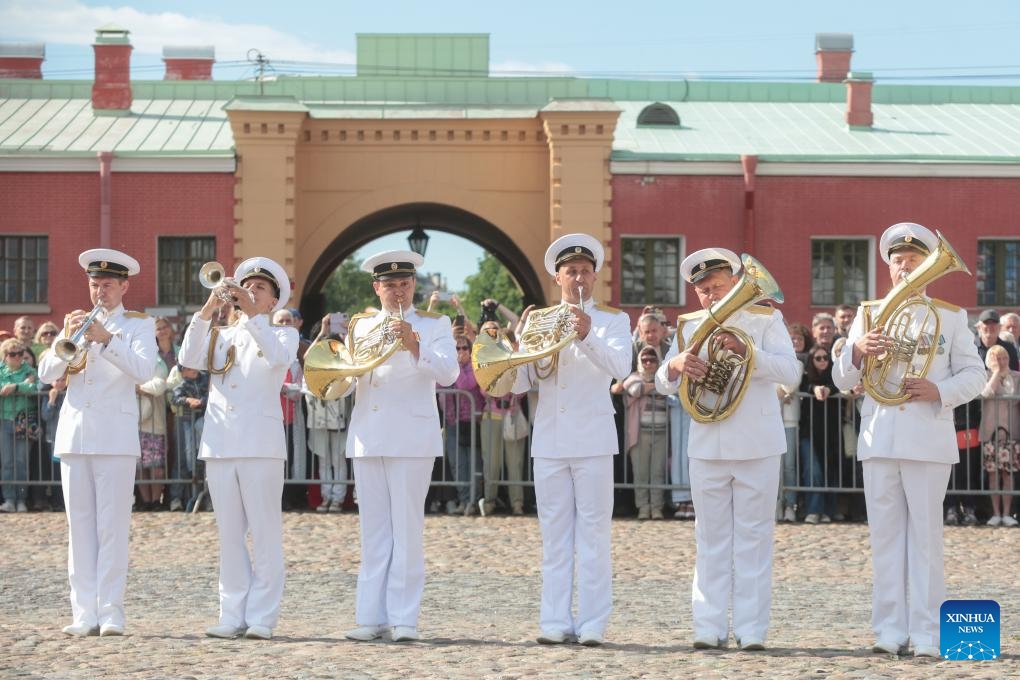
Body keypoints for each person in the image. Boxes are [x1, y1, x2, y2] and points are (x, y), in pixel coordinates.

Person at [832, 222, 985, 658]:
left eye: (913, 262)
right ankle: (888, 630)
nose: (904, 269)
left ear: (929, 267)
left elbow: (973, 374)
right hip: (879, 438)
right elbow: (843, 378)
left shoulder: (951, 316)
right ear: (889, 267)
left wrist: (941, 391)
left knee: (925, 538)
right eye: (898, 262)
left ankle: (927, 633)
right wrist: (857, 349)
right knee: (884, 538)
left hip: (927, 438)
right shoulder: (868, 312)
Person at [655, 247, 799, 651]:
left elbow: (791, 371)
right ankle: (708, 625)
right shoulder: (688, 326)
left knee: (754, 539)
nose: (710, 295)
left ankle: (751, 630)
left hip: (757, 442)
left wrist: (748, 354)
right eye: (703, 290)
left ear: (734, 280)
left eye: (716, 286)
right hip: (707, 444)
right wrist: (677, 364)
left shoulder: (766, 318)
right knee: (710, 538)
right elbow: (662, 382)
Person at [511, 233, 631, 646]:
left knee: (595, 535)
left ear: (594, 276)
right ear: (557, 278)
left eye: (584, 271)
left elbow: (620, 366)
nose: (578, 277)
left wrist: (587, 334)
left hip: (595, 439)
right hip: (550, 440)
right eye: (570, 271)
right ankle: (554, 620)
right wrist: (517, 347)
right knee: (554, 536)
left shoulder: (614, 320)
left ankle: (594, 622)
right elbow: (521, 382)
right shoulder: (541, 319)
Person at [38, 248, 157, 637]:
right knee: (80, 528)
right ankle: (83, 611)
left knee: (112, 527)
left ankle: (111, 611)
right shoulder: (74, 322)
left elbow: (143, 370)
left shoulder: (139, 325)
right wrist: (65, 337)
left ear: (124, 286)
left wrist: (106, 339)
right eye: (94, 284)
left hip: (115, 438)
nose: (100, 291)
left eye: (107, 284)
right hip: (75, 436)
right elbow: (47, 373)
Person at [178, 256, 298, 641]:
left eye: (259, 288)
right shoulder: (221, 333)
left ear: (272, 301)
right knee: (229, 536)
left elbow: (278, 361)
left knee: (264, 533)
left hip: (260, 445)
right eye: (245, 286)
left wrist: (253, 316)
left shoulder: (282, 333)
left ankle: (262, 616)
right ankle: (231, 613)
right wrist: (209, 308)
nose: (249, 291)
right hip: (220, 442)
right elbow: (187, 361)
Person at [343, 249, 458, 644]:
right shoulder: (360, 326)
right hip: (369, 434)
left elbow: (447, 373)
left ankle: (405, 618)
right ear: (377, 288)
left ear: (414, 286)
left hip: (411, 437)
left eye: (404, 285)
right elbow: (349, 374)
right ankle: (370, 616)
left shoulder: (436, 322)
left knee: (407, 531)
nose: (398, 292)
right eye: (389, 285)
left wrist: (414, 345)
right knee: (373, 532)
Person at [623, 345, 670, 519]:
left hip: (661, 432)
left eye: (652, 360)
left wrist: (652, 386)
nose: (649, 363)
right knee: (641, 472)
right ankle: (643, 507)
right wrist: (656, 386)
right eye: (645, 360)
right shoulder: (634, 377)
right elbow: (636, 389)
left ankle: (657, 507)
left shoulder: (663, 377)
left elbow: (669, 388)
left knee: (657, 472)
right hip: (640, 434)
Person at [441, 334, 484, 515]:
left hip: (473, 422)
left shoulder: (476, 367)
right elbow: (440, 384)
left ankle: (473, 501)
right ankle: (464, 499)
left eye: (464, 348)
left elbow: (465, 384)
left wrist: (457, 366)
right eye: (456, 349)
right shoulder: (447, 367)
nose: (460, 352)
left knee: (474, 464)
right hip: (452, 422)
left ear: (470, 350)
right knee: (457, 465)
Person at [978, 344, 1020, 526]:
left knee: (1008, 474)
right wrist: (996, 373)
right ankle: (996, 513)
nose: (1001, 362)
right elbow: (985, 394)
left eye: (1004, 358)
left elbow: (1014, 398)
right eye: (997, 359)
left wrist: (1005, 376)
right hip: (990, 431)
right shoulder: (984, 376)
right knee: (993, 474)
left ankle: (1007, 513)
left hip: (1011, 431)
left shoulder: (1016, 377)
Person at [1, 337, 39, 513]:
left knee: (22, 461)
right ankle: (9, 499)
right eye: (13, 354)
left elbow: (35, 388)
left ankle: (22, 499)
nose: (17, 357)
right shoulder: (1, 371)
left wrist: (16, 387)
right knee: (7, 462)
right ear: (5, 356)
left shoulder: (30, 370)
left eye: (20, 354)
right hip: (4, 421)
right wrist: (23, 384)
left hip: (24, 420)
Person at [168, 365, 209, 512]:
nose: (193, 368)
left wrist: (202, 401)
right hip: (185, 423)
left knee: (204, 460)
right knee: (184, 460)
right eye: (188, 367)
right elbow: (174, 398)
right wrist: (187, 400)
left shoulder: (206, 378)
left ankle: (206, 497)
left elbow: (212, 394)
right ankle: (179, 497)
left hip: (204, 423)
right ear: (182, 371)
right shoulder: (182, 384)